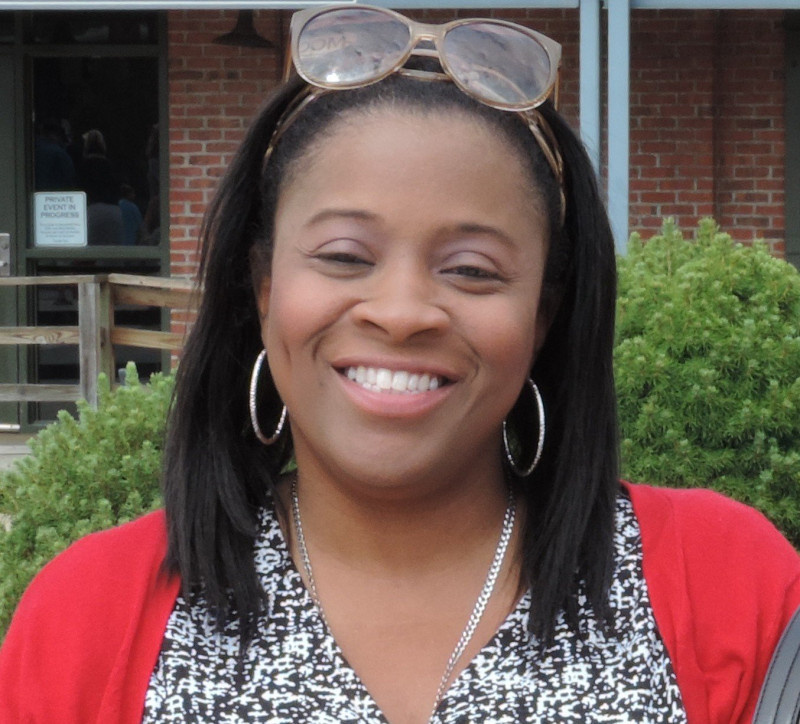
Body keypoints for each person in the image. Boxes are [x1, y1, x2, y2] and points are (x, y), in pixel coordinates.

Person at [1, 6, 798, 723]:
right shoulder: (87, 617)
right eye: (345, 255)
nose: (402, 311)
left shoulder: (728, 584)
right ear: (263, 284)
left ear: (542, 316)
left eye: (473, 269)